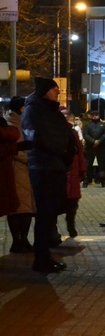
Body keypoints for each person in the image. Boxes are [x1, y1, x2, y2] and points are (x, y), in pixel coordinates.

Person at [21, 77, 77, 273]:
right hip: (43, 167)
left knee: (51, 213)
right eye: (54, 89)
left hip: (57, 167)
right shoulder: (33, 110)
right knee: (44, 214)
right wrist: (60, 151)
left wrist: (68, 155)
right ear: (45, 91)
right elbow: (37, 138)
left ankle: (45, 255)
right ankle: (41, 258)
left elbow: (67, 136)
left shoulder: (53, 111)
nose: (57, 92)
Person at [4, 96, 35, 253]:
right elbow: (15, 150)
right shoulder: (11, 125)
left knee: (26, 208)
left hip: (25, 172)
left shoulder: (21, 122)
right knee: (18, 209)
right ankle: (18, 241)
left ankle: (23, 240)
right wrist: (31, 158)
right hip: (16, 171)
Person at [62, 113, 86, 238]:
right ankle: (58, 228)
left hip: (73, 171)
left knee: (72, 201)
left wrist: (82, 170)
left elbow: (80, 152)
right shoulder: (54, 130)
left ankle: (71, 224)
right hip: (62, 172)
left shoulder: (73, 132)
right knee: (61, 201)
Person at [83, 109, 105, 187]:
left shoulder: (103, 125)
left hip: (101, 148)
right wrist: (93, 141)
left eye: (96, 115)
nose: (94, 117)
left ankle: (103, 181)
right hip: (90, 147)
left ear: (99, 115)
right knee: (88, 165)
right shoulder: (88, 125)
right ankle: (86, 181)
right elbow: (85, 134)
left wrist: (99, 141)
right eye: (93, 115)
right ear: (91, 116)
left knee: (102, 165)